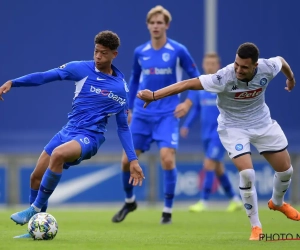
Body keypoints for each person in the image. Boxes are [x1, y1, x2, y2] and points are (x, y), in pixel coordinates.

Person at [137, 42, 298, 240]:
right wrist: (154, 95)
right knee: (248, 173)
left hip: (263, 123)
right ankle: (256, 226)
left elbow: (281, 61)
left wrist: (290, 79)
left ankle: (278, 203)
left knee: (286, 171)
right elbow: (187, 83)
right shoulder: (223, 77)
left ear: (255, 66)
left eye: (244, 67)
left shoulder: (267, 67)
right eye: (237, 64)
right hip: (233, 127)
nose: (238, 70)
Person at [0, 30, 145, 238]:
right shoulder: (80, 68)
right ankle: (36, 230)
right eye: (96, 51)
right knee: (36, 177)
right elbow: (45, 76)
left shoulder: (119, 88)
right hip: (68, 131)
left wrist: (132, 159)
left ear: (114, 55)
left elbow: (123, 127)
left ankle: (34, 209)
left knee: (58, 155)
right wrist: (13, 82)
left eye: (103, 53)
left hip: (91, 137)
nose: (98, 56)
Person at [111, 5, 200, 224]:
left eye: (160, 22)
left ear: (167, 25)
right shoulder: (140, 52)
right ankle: (130, 201)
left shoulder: (178, 50)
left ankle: (167, 211)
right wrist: (128, 108)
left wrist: (188, 102)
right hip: (142, 115)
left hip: (167, 115)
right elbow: (134, 80)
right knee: (125, 161)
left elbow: (197, 78)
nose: (156, 26)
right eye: (152, 22)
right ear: (148, 26)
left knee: (167, 159)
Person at [179, 53, 242, 212]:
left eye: (213, 63)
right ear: (204, 64)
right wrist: (186, 125)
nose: (210, 66)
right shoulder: (201, 86)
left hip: (220, 133)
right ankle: (234, 199)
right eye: (208, 63)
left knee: (208, 164)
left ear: (218, 65)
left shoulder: (223, 84)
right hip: (206, 134)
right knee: (217, 167)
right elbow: (196, 109)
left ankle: (204, 201)